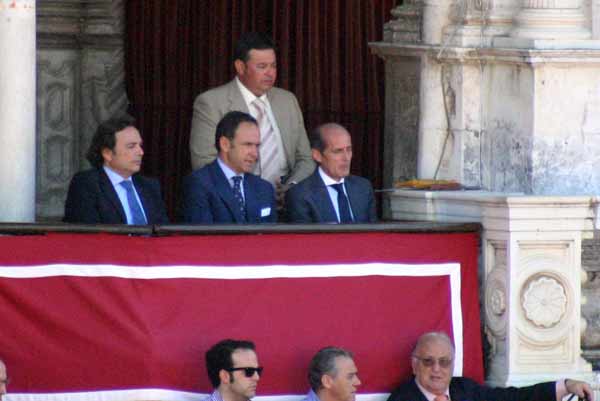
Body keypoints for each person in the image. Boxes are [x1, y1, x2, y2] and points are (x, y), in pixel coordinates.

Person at [189, 32, 315, 202]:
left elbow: (305, 159)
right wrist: (256, 191)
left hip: (287, 201)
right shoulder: (211, 103)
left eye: (273, 66)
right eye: (262, 66)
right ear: (240, 67)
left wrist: (292, 188)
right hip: (238, 202)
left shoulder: (287, 101)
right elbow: (204, 162)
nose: (270, 73)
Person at [387, 332, 594, 401]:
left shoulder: (465, 389)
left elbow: (514, 398)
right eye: (428, 361)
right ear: (414, 365)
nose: (437, 369)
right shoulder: (403, 397)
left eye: (444, 362)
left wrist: (566, 385)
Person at [63, 115, 169, 224]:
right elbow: (86, 234)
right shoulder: (87, 184)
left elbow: (164, 231)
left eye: (140, 145)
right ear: (107, 153)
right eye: (131, 146)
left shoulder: (149, 186)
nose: (140, 152)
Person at [183, 111, 277, 223]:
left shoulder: (264, 188)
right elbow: (201, 237)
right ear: (225, 144)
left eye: (257, 146)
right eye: (248, 145)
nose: (255, 154)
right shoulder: (199, 184)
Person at [285, 123, 377, 223]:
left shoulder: (363, 187)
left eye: (349, 150)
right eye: (338, 151)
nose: (346, 158)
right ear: (317, 155)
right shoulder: (300, 195)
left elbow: (374, 232)